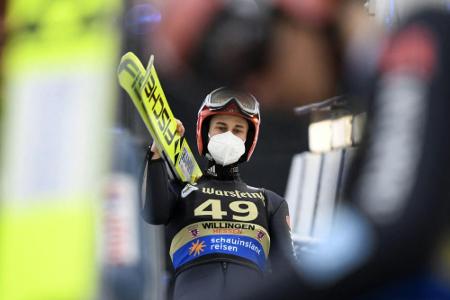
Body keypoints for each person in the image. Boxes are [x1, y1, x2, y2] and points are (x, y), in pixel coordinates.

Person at [150, 0, 450, 298]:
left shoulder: (418, 40)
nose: (260, 90)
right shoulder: (374, 87)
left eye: (255, 56)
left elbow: (389, 228)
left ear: (309, 13)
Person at [141, 87, 294, 300]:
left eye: (238, 130)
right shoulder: (184, 190)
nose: (229, 136)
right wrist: (156, 153)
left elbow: (287, 267)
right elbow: (153, 213)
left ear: (248, 140)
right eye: (221, 127)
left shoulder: (270, 202)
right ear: (206, 132)